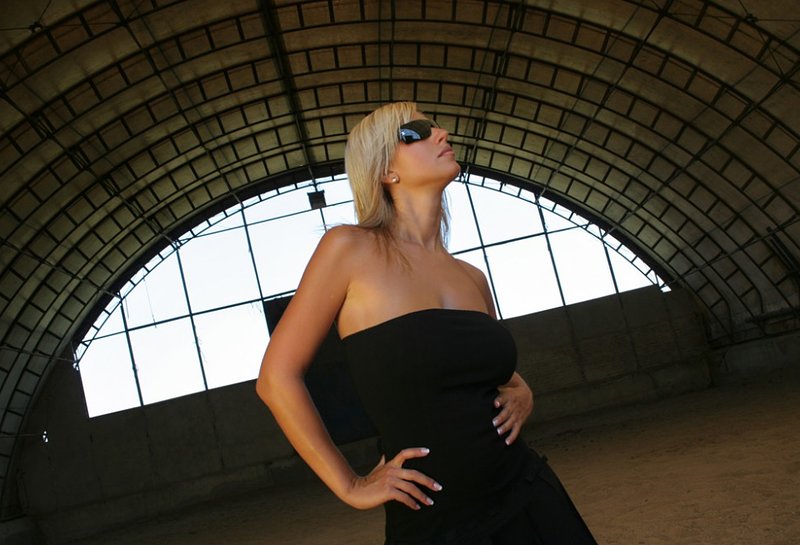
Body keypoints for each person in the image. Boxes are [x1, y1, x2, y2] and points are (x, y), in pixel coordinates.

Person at [256, 101, 597, 545]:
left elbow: (485, 371)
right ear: (385, 171)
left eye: (436, 127)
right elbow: (276, 378)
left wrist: (522, 389)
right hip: (437, 523)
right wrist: (350, 485)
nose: (441, 133)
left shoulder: (471, 277)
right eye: (414, 132)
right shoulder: (348, 249)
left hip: (532, 497)